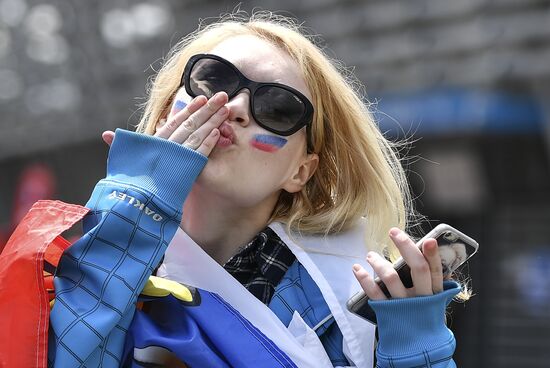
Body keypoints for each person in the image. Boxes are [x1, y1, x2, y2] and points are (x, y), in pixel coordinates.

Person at [48, 11, 464, 368]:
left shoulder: (354, 305)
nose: (236, 107)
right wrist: (130, 208)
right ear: (163, 117)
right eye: (212, 80)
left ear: (300, 172)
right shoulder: (79, 257)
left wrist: (417, 348)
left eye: (277, 107)